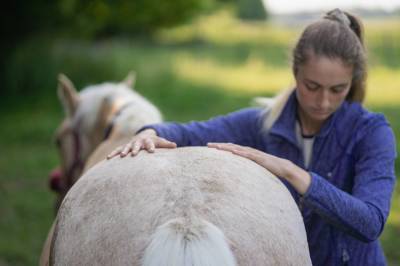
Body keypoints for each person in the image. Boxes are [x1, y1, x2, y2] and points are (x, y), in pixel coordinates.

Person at [107, 8, 396, 266]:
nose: (323, 101)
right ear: (296, 73)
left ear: (353, 82)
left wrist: (293, 173)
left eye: (337, 90)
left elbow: (370, 222)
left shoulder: (372, 133)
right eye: (312, 86)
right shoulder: (260, 124)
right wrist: (149, 132)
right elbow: (190, 132)